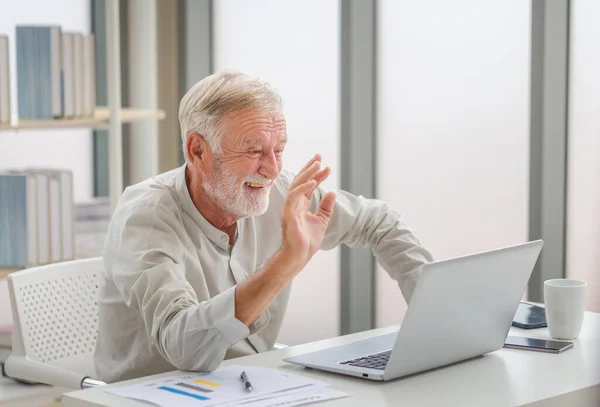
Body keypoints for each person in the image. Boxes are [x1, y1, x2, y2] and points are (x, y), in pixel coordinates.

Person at [94, 70, 433, 383]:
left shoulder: (281, 189)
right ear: (198, 150)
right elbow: (185, 348)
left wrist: (431, 313)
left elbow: (380, 223)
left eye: (279, 150)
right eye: (254, 151)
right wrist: (287, 262)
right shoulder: (146, 217)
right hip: (156, 393)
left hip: (250, 385)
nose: (271, 169)